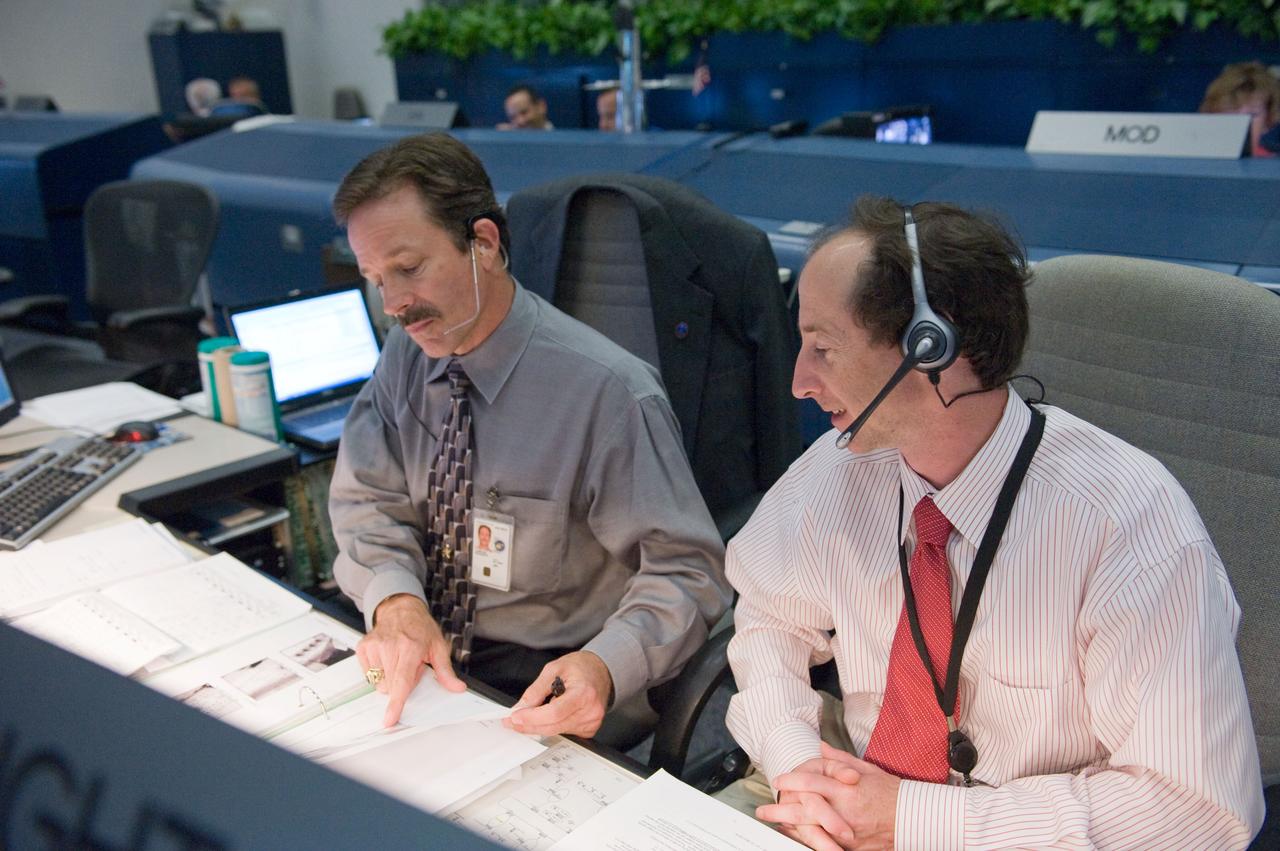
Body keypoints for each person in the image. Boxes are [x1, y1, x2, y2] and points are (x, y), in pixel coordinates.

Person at [721, 195, 1264, 849]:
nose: (799, 382)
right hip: (844, 807)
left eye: (824, 348)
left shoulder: (1125, 524)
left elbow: (1193, 808)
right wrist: (799, 765)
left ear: (930, 346)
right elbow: (769, 619)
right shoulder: (841, 469)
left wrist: (912, 820)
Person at [328, 133, 729, 744]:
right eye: (376, 279)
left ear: (484, 244)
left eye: (408, 269)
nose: (395, 306)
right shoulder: (406, 357)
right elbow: (367, 499)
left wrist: (605, 666)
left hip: (547, 678)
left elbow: (689, 573)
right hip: (428, 650)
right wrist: (395, 602)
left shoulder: (608, 393)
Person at [1200, 61, 1280, 158]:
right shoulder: (1191, 159)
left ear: (1268, 121)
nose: (1242, 121)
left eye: (1252, 114)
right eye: (1232, 111)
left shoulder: (1272, 164)